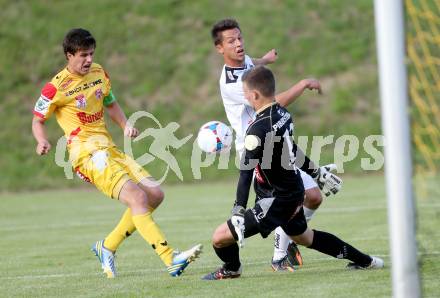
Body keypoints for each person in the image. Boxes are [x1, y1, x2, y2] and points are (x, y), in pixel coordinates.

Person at [31, 28, 202, 278]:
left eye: (91, 54)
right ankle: (170, 258)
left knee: (155, 194)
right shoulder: (54, 88)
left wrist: (125, 125)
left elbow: (110, 102)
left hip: (109, 148)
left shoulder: (99, 72)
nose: (88, 60)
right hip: (86, 155)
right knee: (138, 198)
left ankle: (107, 246)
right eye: (82, 56)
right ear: (69, 55)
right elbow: (37, 120)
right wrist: (41, 141)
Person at [202, 66, 383, 280]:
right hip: (293, 191)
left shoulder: (257, 129)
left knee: (219, 238)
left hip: (276, 199)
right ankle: (367, 261)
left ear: (255, 95)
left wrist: (239, 210)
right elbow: (291, 149)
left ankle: (232, 268)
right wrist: (316, 172)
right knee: (305, 237)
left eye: (244, 92)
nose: (244, 95)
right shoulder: (282, 113)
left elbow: (245, 173)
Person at [211, 18, 341, 271]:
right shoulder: (232, 84)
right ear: (219, 49)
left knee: (313, 197)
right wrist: (302, 84)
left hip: (275, 144)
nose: (238, 44)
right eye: (231, 41)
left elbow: (251, 62)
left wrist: (265, 60)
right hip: (259, 153)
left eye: (240, 38)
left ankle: (289, 243)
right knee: (289, 201)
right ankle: (279, 255)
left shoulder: (244, 63)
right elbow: (274, 102)